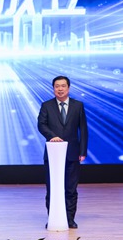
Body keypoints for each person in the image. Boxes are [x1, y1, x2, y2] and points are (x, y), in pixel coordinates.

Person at [37, 75, 88, 229]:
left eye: (63, 86)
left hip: (72, 153)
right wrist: (52, 136)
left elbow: (83, 129)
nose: (60, 89)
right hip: (53, 155)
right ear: (53, 89)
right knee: (52, 188)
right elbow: (41, 125)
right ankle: (53, 218)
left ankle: (70, 219)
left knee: (71, 189)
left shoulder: (78, 106)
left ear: (68, 88)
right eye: (57, 86)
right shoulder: (46, 106)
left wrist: (82, 151)